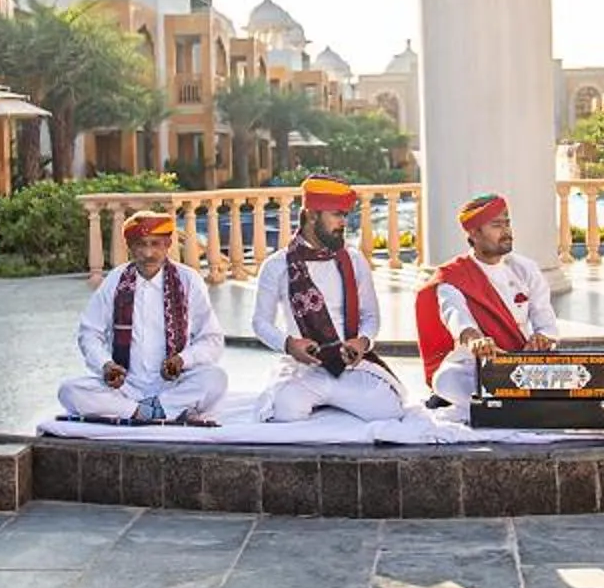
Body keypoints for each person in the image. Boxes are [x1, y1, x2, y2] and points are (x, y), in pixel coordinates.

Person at [252, 176, 405, 422]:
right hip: (303, 369)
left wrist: (362, 343)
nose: (343, 223)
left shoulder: (354, 261)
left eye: (345, 215)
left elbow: (370, 316)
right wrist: (289, 344)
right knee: (285, 411)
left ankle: (334, 402)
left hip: (349, 365)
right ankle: (328, 403)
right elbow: (260, 323)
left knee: (389, 410)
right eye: (336, 215)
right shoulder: (277, 265)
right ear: (312, 215)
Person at [59, 210, 227, 424]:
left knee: (215, 379)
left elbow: (211, 339)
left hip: (174, 383)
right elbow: (89, 333)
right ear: (130, 247)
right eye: (141, 244)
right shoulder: (116, 280)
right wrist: (106, 365)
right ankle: (155, 411)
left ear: (168, 244)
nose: (149, 253)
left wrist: (183, 360)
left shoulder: (188, 280)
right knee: (69, 391)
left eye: (155, 244)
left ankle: (142, 411)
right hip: (125, 386)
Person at [415, 192, 560, 405]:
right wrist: (476, 341)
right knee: (447, 380)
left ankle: (497, 404)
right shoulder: (453, 277)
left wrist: (542, 339)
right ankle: (511, 403)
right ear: (474, 233)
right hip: (478, 363)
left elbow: (546, 323)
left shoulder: (525, 268)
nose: (507, 231)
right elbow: (456, 316)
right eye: (497, 225)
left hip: (524, 359)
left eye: (507, 224)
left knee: (572, 373)